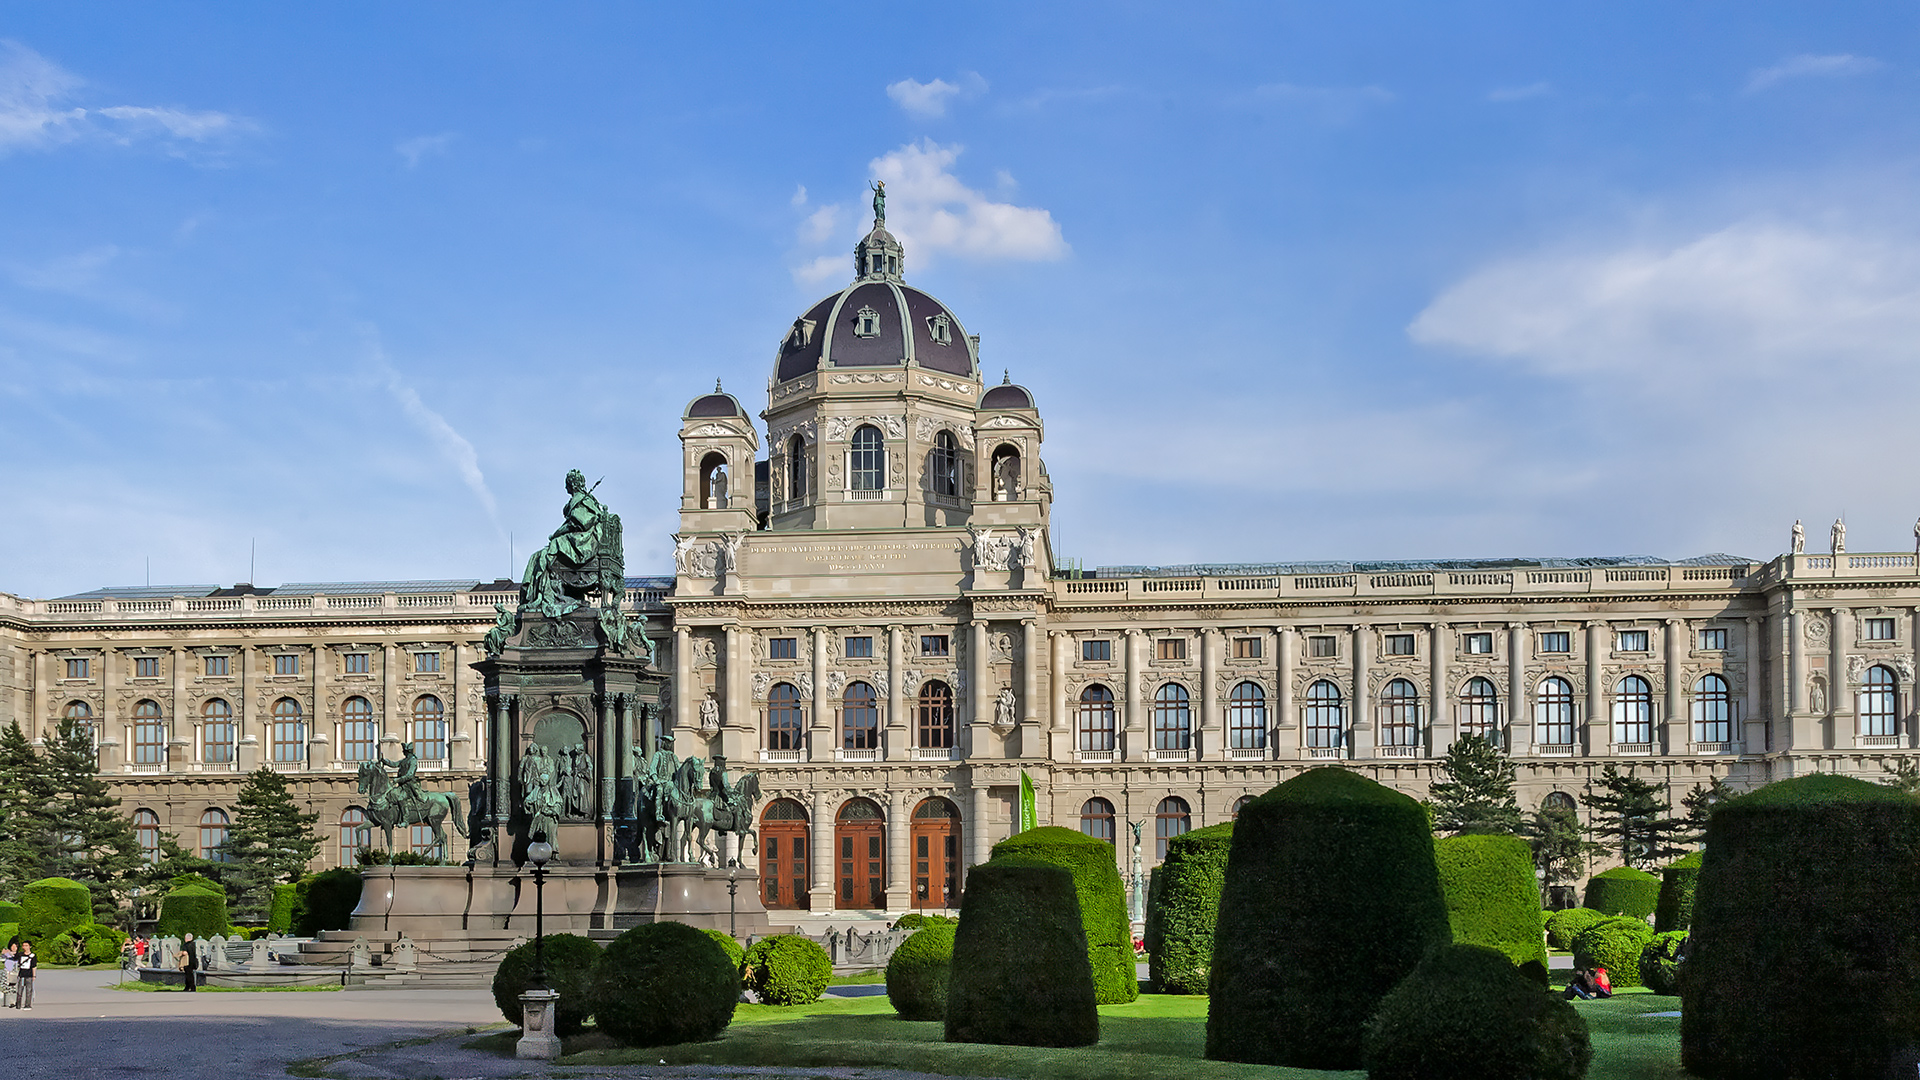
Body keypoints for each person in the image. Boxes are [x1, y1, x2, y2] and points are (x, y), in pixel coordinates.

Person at [16, 941, 34, 1009]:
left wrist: (34, 975)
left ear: (30, 946)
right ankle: (18, 1004)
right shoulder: (20, 955)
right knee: (19, 990)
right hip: (21, 975)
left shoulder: (33, 956)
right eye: (23, 945)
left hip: (29, 975)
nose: (24, 947)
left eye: (26, 945)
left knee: (29, 990)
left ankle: (27, 1005)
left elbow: (34, 966)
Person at [2, 940, 16, 1008]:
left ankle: (12, 1002)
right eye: (12, 946)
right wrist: (3, 953)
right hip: (7, 972)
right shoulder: (6, 953)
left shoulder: (18, 954)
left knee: (13, 988)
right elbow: (2, 958)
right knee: (5, 987)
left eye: (15, 946)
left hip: (14, 973)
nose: (14, 947)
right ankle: (5, 1001)